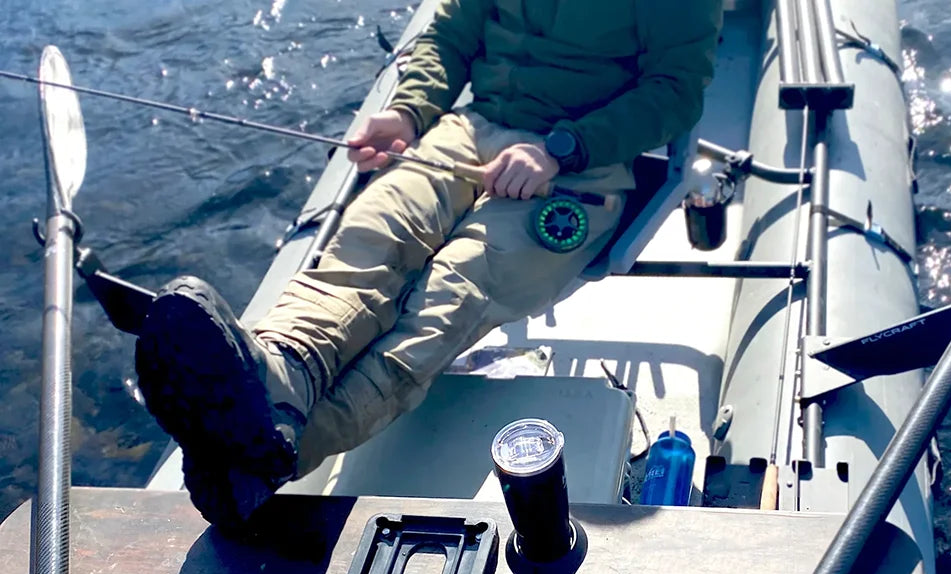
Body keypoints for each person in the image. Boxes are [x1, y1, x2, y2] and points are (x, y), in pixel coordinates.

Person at [135, 0, 724, 527]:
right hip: (470, 130)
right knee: (372, 233)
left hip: (579, 166)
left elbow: (675, 91)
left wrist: (559, 149)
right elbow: (450, 35)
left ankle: (279, 450)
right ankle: (284, 368)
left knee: (453, 289)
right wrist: (410, 113)